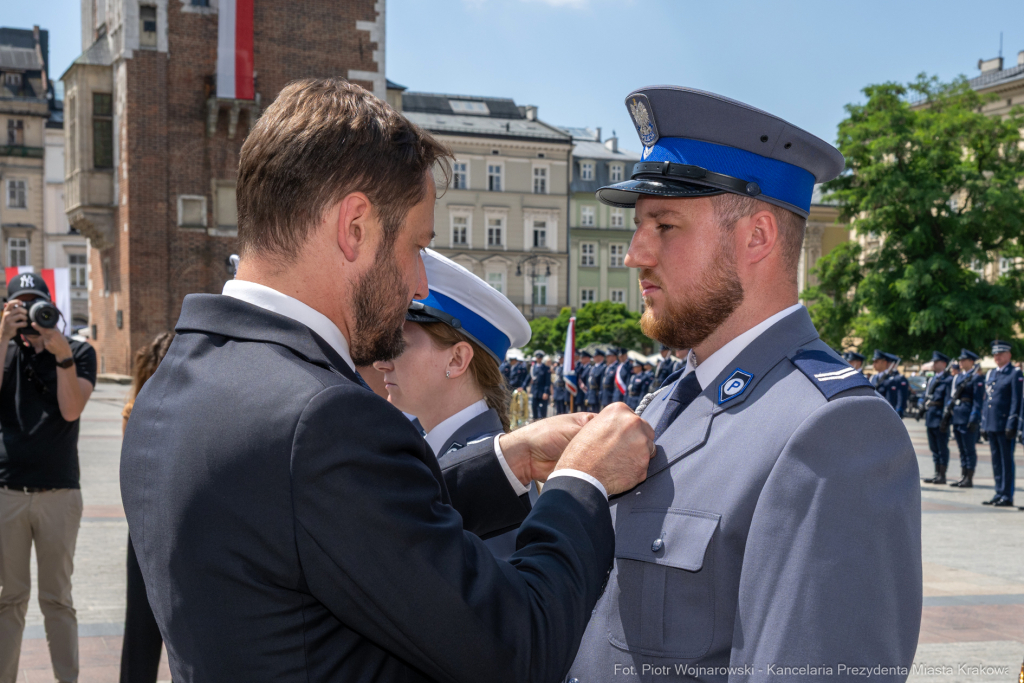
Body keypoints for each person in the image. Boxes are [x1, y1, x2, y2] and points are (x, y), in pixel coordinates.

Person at [120, 78, 655, 682]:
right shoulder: (322, 420)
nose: (421, 283)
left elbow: (324, 520)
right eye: (416, 246)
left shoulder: (174, 383)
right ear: (354, 227)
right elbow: (513, 646)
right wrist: (580, 483)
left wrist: (507, 458)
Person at [563, 86, 921, 680]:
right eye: (638, 226)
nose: (634, 254)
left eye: (665, 225)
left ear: (756, 237)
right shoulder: (666, 404)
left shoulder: (834, 431)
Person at [374, 249, 536, 558]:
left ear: (457, 358)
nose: (381, 362)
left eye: (396, 344)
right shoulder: (435, 452)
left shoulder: (495, 473)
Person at [0, 273, 97, 683]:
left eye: (35, 305)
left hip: (59, 493)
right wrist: (1, 337)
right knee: (10, 599)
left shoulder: (79, 351)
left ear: (51, 307)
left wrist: (61, 355)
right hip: (8, 491)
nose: (29, 316)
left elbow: (71, 409)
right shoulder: (5, 353)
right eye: (18, 308)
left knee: (57, 599)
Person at [119, 331, 175, 683]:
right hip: (173, 522)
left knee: (140, 628)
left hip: (142, 525)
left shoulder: (134, 409)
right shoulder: (136, 410)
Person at [980, 340, 1020, 507]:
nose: (998, 357)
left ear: (1009, 355)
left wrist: (1012, 423)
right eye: (995, 354)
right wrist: (983, 423)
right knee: (996, 460)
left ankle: (1007, 495)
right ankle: (998, 492)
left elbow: (1016, 401)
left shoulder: (1014, 373)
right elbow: (986, 401)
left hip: (1004, 425)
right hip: (992, 424)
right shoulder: (991, 374)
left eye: (1001, 354)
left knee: (1006, 460)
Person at [947, 349, 984, 489]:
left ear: (971, 361)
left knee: (969, 449)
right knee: (961, 449)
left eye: (963, 360)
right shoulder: (960, 377)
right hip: (958, 416)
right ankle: (963, 476)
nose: (960, 362)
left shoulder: (976, 378)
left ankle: (969, 478)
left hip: (968, 416)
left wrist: (974, 417)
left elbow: (978, 400)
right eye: (960, 360)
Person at [920, 351, 953, 484]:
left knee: (942, 447)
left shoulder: (948, 379)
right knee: (934, 447)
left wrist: (946, 418)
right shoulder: (932, 379)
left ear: (944, 364)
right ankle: (936, 473)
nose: (933, 364)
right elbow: (926, 395)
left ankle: (942, 475)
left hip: (940, 417)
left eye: (936, 362)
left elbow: (948, 399)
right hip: (930, 416)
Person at [527, 350, 551, 421]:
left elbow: (547, 382)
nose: (538, 359)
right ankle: (535, 421)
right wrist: (522, 386)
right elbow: (528, 378)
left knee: (543, 411)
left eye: (540, 358)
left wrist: (546, 392)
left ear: (542, 358)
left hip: (542, 391)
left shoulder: (546, 368)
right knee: (534, 408)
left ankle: (543, 423)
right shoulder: (533, 368)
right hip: (535, 392)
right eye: (537, 358)